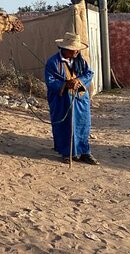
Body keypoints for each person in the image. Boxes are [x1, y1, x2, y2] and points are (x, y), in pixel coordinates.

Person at [44, 32, 99, 165]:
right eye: (74, 49)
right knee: (65, 126)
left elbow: (88, 73)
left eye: (77, 49)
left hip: (80, 99)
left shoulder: (80, 60)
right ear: (65, 49)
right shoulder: (53, 62)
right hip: (62, 101)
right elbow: (50, 81)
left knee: (83, 125)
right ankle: (68, 153)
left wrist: (78, 81)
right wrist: (65, 84)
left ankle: (85, 152)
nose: (76, 52)